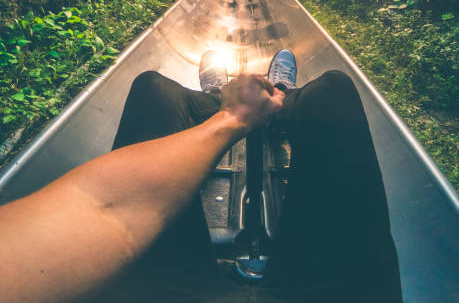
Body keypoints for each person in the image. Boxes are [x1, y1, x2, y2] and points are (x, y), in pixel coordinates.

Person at [0, 50, 402, 303]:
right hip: (338, 292)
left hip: (157, 291)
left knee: (154, 90)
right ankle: (280, 94)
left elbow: (107, 213)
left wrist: (231, 117)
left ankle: (216, 100)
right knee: (333, 90)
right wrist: (237, 117)